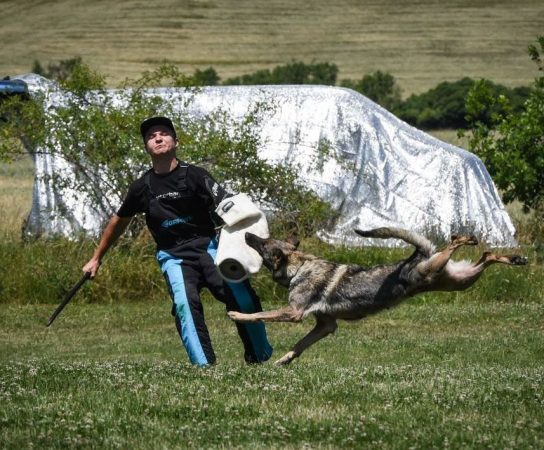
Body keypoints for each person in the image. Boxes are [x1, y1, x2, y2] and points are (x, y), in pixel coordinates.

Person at [82, 116, 273, 366]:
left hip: (209, 248)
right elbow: (119, 221)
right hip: (173, 257)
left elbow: (228, 205)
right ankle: (204, 366)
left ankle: (258, 356)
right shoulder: (142, 187)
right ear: (146, 147)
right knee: (185, 305)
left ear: (176, 141)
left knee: (241, 294)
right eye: (151, 136)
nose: (158, 138)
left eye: (163, 133)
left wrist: (252, 233)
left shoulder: (194, 175)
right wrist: (96, 258)